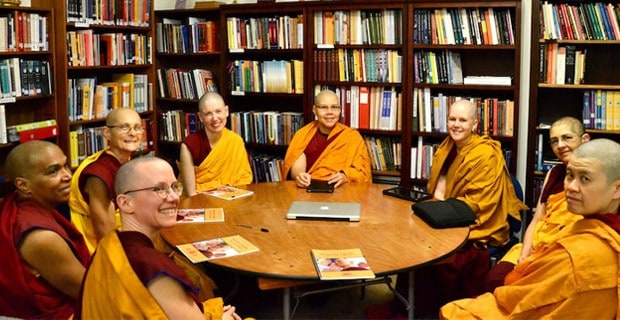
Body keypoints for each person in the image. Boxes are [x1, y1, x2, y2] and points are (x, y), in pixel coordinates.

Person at [441, 138, 620, 319]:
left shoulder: (578, 255)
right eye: (570, 175)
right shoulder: (592, 227)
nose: (571, 187)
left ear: (617, 189)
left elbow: (515, 301)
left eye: (585, 178)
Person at [393, 99, 527, 317]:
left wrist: (437, 212)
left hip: (475, 222)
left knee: (438, 258)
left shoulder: (486, 154)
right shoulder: (447, 146)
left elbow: (479, 204)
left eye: (463, 120)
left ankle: (439, 311)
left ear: (474, 124)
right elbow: (436, 189)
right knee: (412, 245)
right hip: (446, 213)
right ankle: (412, 307)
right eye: (452, 119)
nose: (456, 125)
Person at [79, 156, 243, 320]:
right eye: (159, 189)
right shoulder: (151, 267)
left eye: (174, 187)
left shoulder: (111, 245)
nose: (173, 197)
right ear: (125, 203)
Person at [486, 116, 589, 291]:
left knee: (525, 290)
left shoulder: (598, 176)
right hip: (537, 245)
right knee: (495, 280)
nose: (560, 145)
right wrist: (525, 253)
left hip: (563, 252)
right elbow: (537, 219)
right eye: (554, 141)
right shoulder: (554, 174)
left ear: (584, 139)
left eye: (567, 138)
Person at [0, 141, 90, 318]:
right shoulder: (40, 235)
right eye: (53, 171)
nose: (67, 176)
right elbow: (88, 291)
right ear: (23, 185)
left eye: (65, 166)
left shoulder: (22, 206)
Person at [69, 108, 143, 253]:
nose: (133, 133)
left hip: (128, 234)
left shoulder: (126, 161)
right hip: (96, 249)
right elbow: (105, 233)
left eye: (137, 127)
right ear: (107, 133)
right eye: (124, 127)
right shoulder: (98, 173)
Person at [282, 89, 372, 188]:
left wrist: (346, 176)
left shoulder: (352, 137)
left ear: (339, 110)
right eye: (324, 107)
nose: (329, 112)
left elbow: (363, 173)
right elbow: (296, 171)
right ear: (314, 110)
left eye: (334, 107)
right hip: (309, 190)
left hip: (341, 193)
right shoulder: (303, 135)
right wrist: (300, 177)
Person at [179, 92, 253, 197]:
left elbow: (244, 182)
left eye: (218, 111)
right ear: (200, 117)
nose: (215, 118)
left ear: (226, 111)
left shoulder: (235, 141)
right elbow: (191, 194)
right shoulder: (189, 145)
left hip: (232, 200)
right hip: (200, 202)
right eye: (208, 114)